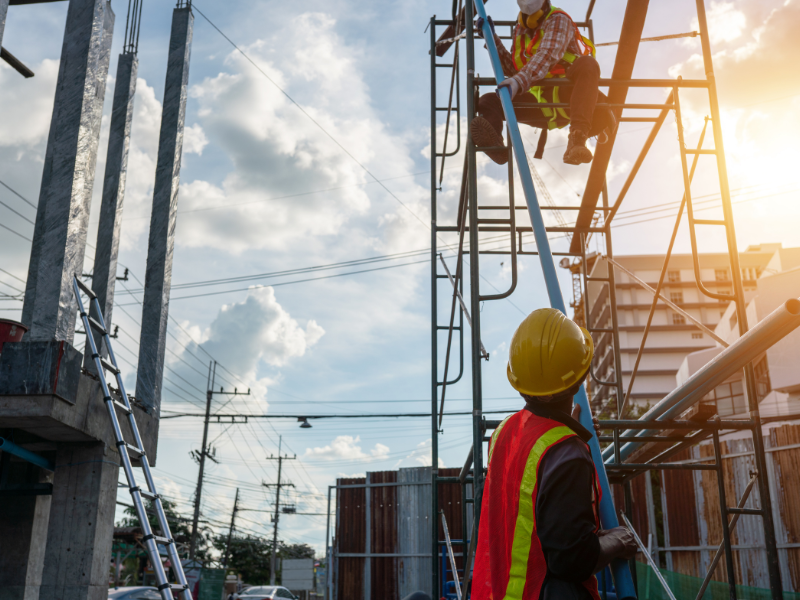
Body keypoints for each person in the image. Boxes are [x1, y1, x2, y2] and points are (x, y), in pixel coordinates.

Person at [471, 308, 637, 600]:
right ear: (579, 378)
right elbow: (572, 560)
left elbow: (531, 513)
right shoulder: (567, 453)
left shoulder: (503, 433)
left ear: (519, 382)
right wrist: (618, 541)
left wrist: (569, 427)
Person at [471, 0, 616, 166]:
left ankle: (577, 138)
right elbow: (513, 70)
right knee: (489, 102)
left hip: (569, 96)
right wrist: (492, 40)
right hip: (539, 102)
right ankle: (496, 148)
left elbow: (547, 54)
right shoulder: (520, 30)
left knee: (587, 64)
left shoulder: (558, 19)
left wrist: (518, 81)